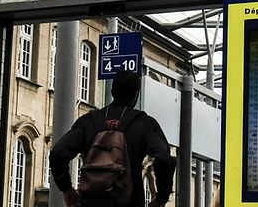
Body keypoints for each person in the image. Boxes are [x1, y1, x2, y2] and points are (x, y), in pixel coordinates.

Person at [50, 70, 177, 207]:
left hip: (90, 202)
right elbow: (163, 159)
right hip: (129, 201)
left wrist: (66, 187)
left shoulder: (89, 121)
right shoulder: (145, 124)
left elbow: (58, 153)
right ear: (136, 95)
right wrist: (161, 197)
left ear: (112, 91)